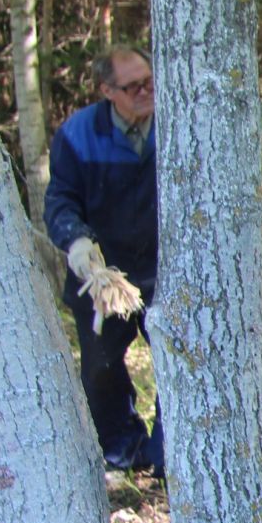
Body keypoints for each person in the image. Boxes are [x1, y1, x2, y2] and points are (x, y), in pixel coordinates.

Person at [43, 46, 161, 474]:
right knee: (101, 368)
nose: (147, 91)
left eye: (150, 80)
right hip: (102, 275)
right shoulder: (77, 134)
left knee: (176, 362)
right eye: (134, 87)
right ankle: (122, 448)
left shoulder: (177, 124)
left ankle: (169, 453)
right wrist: (76, 244)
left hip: (164, 272)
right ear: (107, 90)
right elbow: (60, 199)